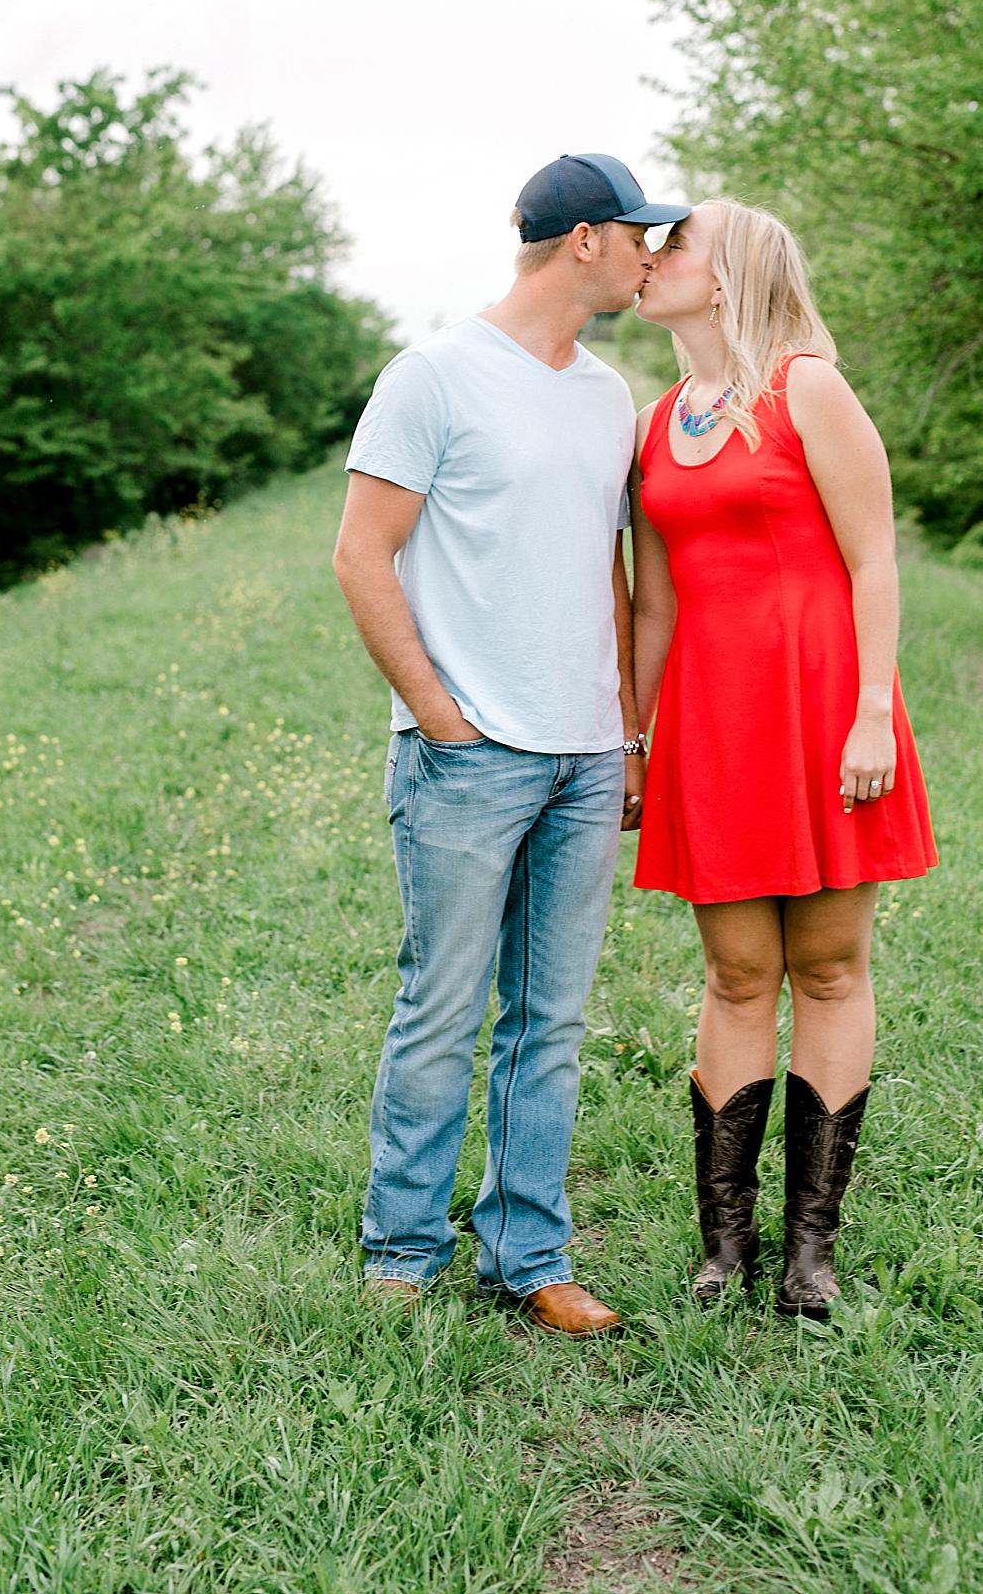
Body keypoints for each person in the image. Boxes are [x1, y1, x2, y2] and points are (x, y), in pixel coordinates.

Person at [333, 154, 690, 1336]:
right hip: (468, 755)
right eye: (640, 234)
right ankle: (402, 1248)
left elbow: (616, 571)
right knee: (442, 1005)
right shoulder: (433, 375)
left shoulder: (605, 396)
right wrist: (441, 714)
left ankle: (528, 1254)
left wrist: (627, 734)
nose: (653, 254)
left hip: (587, 757)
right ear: (584, 240)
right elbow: (360, 554)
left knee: (553, 1019)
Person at [629, 198, 938, 1319]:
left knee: (831, 965)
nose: (651, 260)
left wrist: (869, 713)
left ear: (729, 275)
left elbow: (874, 562)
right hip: (714, 723)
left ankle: (812, 1248)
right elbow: (652, 603)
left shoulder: (808, 384)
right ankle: (725, 1243)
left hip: (823, 710)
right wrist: (635, 733)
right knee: (736, 971)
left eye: (676, 245)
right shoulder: (655, 422)